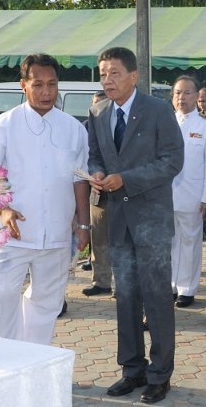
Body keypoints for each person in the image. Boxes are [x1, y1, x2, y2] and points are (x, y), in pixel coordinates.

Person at [88, 47, 183, 404]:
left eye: (114, 73)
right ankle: (132, 369)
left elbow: (173, 160)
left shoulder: (158, 110)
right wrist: (97, 171)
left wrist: (124, 178)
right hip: (118, 219)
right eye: (102, 73)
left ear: (133, 76)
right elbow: (95, 152)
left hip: (152, 220)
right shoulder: (98, 111)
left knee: (157, 299)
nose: (107, 80)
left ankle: (160, 374)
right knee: (125, 296)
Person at [0, 53, 90, 345]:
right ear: (23, 85)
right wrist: (2, 209)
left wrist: (84, 225)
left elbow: (80, 179)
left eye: (52, 85)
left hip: (56, 234)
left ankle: (34, 363)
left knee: (47, 304)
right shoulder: (3, 126)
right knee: (3, 299)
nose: (46, 92)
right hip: (10, 234)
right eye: (38, 84)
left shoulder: (74, 129)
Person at [171, 75, 206, 308]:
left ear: (197, 97)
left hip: (193, 196)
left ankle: (187, 289)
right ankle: (170, 284)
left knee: (189, 242)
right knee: (169, 242)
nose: (182, 97)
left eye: (187, 92)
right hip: (164, 197)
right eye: (178, 92)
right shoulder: (165, 122)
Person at [82, 90, 113, 297]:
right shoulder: (85, 128)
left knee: (120, 241)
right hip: (96, 190)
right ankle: (101, 281)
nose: (98, 110)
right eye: (95, 106)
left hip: (122, 191)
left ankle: (123, 285)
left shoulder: (119, 125)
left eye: (102, 105)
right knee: (98, 238)